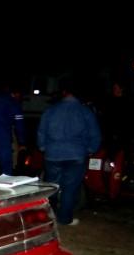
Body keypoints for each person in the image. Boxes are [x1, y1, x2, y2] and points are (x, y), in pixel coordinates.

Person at [37, 78, 101, 226]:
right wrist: (90, 150)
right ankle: (64, 219)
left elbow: (41, 132)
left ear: (63, 93)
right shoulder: (85, 111)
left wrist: (43, 147)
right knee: (70, 188)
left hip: (53, 154)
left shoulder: (51, 110)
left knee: (52, 186)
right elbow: (95, 135)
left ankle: (49, 218)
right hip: (76, 155)